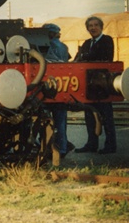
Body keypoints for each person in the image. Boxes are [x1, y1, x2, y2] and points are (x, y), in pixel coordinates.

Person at [74, 16, 117, 154]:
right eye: (90, 26)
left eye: (96, 25)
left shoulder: (107, 40)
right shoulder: (86, 43)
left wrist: (85, 57)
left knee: (106, 116)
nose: (93, 28)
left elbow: (104, 57)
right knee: (89, 116)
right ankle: (91, 144)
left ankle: (110, 146)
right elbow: (77, 59)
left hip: (103, 85)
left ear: (101, 26)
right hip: (89, 85)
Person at [43, 23, 71, 157]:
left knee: (46, 120)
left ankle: (48, 147)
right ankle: (63, 147)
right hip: (61, 87)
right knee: (61, 121)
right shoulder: (64, 47)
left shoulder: (47, 45)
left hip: (47, 87)